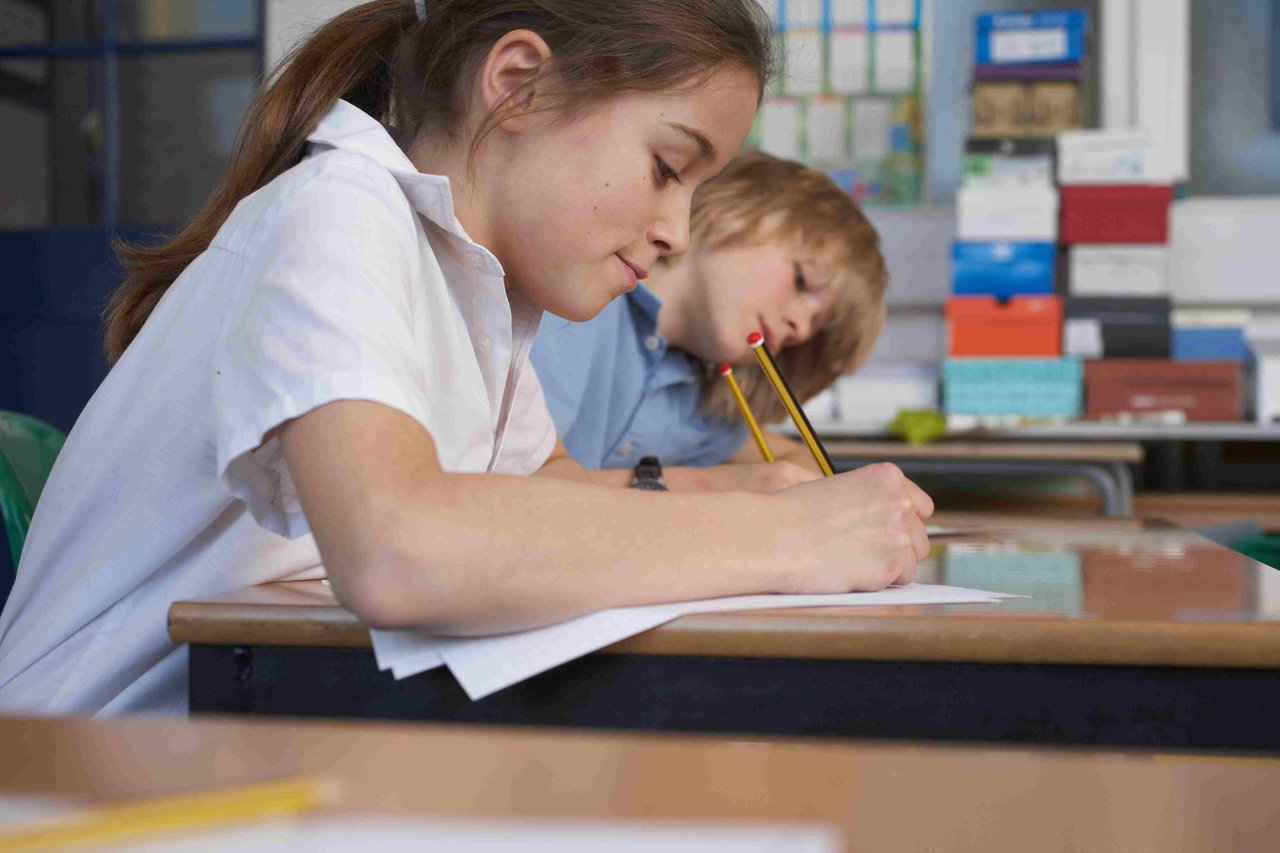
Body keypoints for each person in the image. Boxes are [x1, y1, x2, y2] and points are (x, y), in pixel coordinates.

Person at [0, 0, 932, 717]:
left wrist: (751, 495)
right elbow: (399, 548)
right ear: (520, 85)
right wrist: (791, 541)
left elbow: (550, 487)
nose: (676, 231)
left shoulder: (477, 289)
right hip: (80, 768)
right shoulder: (338, 212)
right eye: (667, 167)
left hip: (253, 739)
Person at [531, 150, 886, 493]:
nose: (801, 327)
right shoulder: (573, 301)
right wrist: (712, 486)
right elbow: (515, 486)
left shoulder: (692, 400)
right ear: (732, 209)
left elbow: (793, 460)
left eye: (814, 328)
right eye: (802, 280)